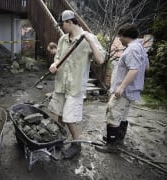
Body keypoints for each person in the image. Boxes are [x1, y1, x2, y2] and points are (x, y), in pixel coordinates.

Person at [48, 10, 105, 158]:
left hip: (75, 87)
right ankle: (59, 139)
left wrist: (90, 40)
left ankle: (77, 144)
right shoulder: (62, 39)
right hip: (61, 84)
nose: (61, 27)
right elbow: (58, 57)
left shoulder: (88, 38)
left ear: (70, 22)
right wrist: (54, 65)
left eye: (63, 24)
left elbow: (100, 60)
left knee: (70, 118)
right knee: (58, 114)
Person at [95, 23, 149, 153]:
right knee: (122, 115)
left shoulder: (132, 49)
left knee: (113, 114)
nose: (119, 39)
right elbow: (146, 67)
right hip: (132, 90)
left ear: (126, 36)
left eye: (120, 37)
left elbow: (134, 69)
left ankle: (111, 144)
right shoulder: (141, 48)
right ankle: (117, 139)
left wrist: (121, 87)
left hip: (124, 91)